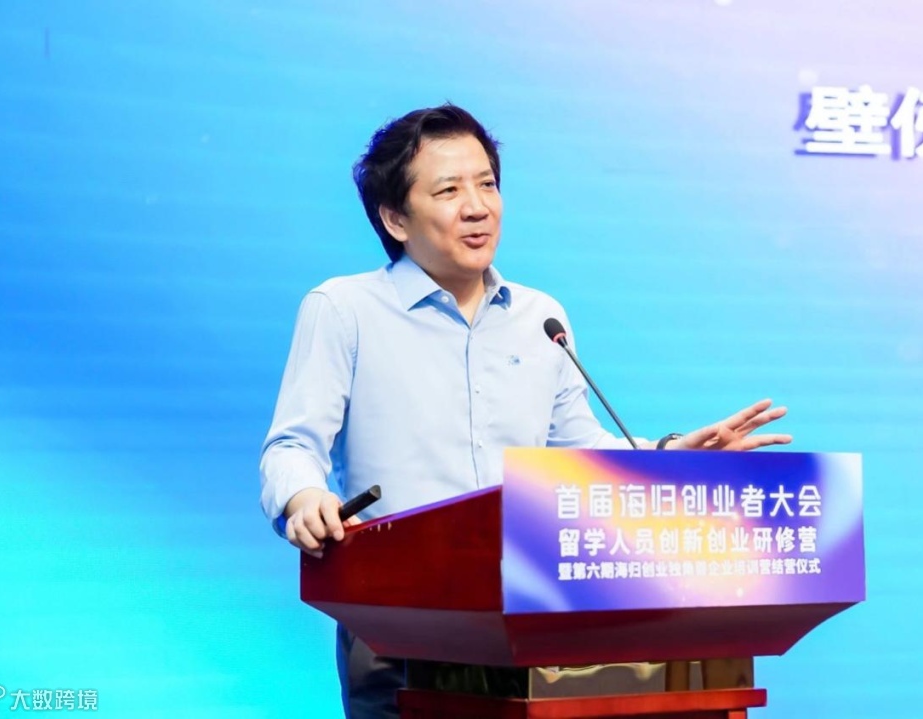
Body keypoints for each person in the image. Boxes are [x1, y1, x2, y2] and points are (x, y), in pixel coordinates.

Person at [259, 104, 791, 719]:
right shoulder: (345, 309)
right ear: (394, 217)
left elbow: (577, 452)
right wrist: (304, 499)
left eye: (487, 184)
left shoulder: (541, 317)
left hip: (530, 617)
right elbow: (292, 446)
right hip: (399, 620)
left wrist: (671, 456)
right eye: (449, 190)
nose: (477, 206)